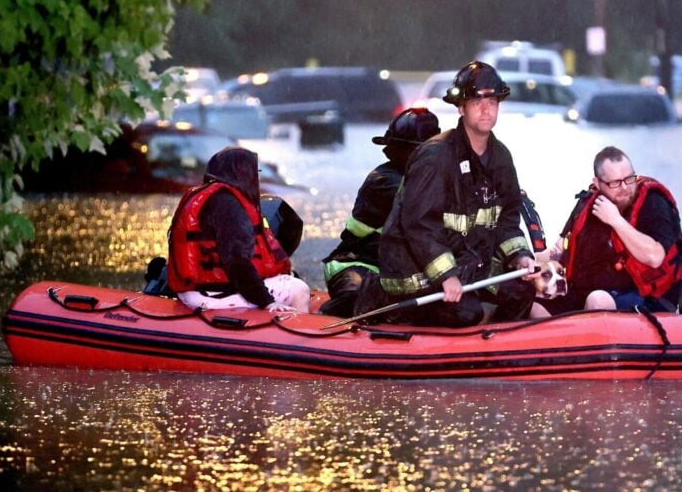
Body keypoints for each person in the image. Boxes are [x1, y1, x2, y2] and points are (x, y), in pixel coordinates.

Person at [354, 61, 538, 327]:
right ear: (461, 108)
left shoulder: (501, 159)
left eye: (493, 101)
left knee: (520, 293)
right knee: (465, 312)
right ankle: (386, 307)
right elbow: (418, 224)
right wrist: (446, 275)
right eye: (477, 101)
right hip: (416, 271)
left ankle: (495, 352)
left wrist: (520, 257)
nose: (486, 109)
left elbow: (507, 219)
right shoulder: (435, 156)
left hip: (468, 265)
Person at [532, 146, 682, 316]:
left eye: (629, 179)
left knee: (597, 300)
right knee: (534, 306)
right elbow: (559, 250)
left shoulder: (654, 204)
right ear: (597, 183)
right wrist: (525, 259)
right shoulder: (587, 204)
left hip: (645, 296)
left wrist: (616, 220)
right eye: (615, 183)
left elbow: (654, 257)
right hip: (589, 290)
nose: (624, 187)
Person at [319, 107, 440, 317]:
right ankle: (320, 324)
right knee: (360, 299)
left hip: (398, 272)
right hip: (358, 264)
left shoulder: (430, 179)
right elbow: (424, 202)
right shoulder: (384, 182)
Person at [167, 146, 310, 312]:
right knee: (299, 289)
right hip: (212, 294)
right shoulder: (229, 205)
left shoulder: (208, 197)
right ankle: (292, 335)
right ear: (243, 173)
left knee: (282, 280)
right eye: (255, 171)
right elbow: (237, 262)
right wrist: (267, 301)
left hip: (193, 291)